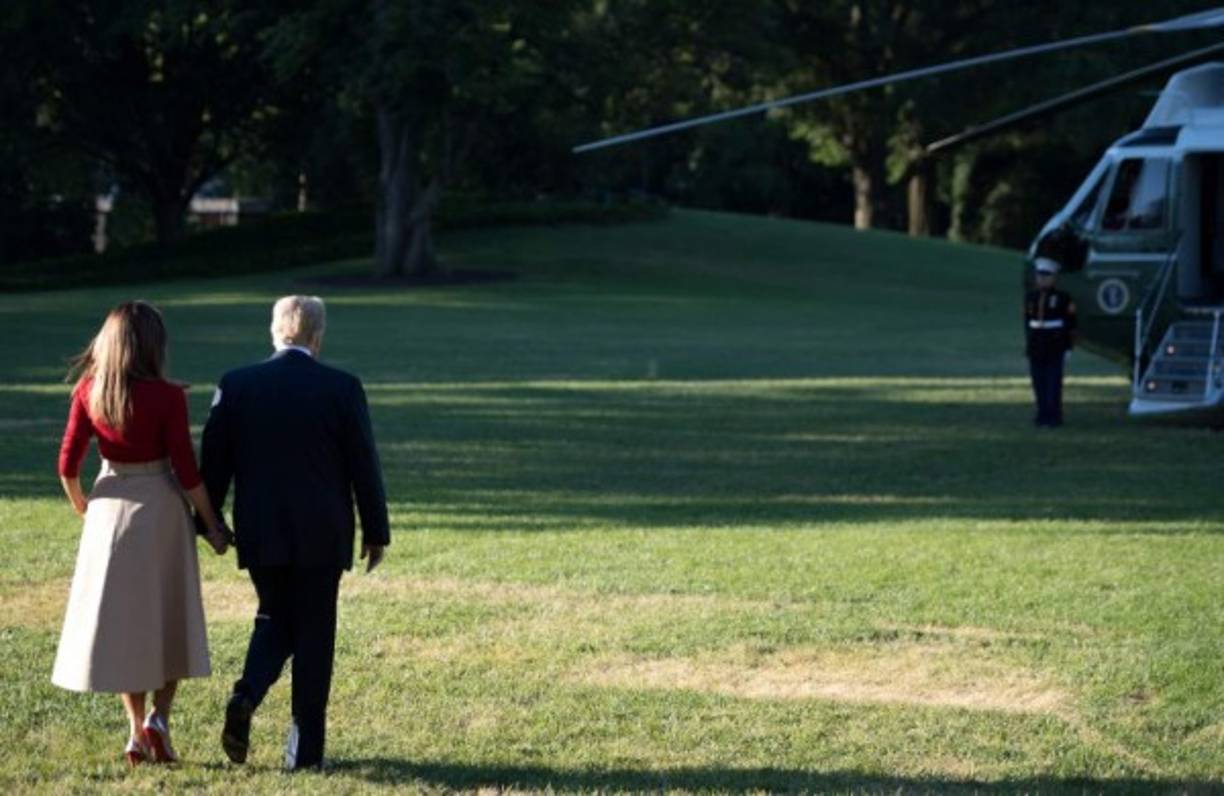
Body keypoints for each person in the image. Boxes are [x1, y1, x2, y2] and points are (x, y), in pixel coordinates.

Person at [201, 295, 389, 771]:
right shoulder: (342, 388)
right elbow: (363, 463)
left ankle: (247, 693)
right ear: (318, 337)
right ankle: (303, 753)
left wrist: (210, 525)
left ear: (274, 332)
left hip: (261, 530)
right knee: (314, 634)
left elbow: (214, 464)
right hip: (323, 533)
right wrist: (376, 530)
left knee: (274, 616)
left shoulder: (237, 384)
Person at [53, 300, 231, 767]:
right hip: (162, 506)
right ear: (154, 346)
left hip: (109, 507)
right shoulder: (168, 396)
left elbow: (67, 465)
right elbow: (187, 470)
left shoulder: (88, 392)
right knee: (167, 619)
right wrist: (212, 525)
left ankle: (134, 731)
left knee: (128, 626)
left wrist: (84, 509)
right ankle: (160, 719)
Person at [1024, 258, 1077, 427]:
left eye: (1046, 276)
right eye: (1040, 275)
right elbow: (1027, 322)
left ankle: (1054, 415)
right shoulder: (1030, 297)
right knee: (1038, 380)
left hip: (1055, 343)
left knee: (1053, 381)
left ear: (1054, 278)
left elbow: (1070, 323)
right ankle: (1042, 413)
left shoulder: (1062, 298)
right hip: (1036, 343)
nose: (1042, 279)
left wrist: (1068, 346)